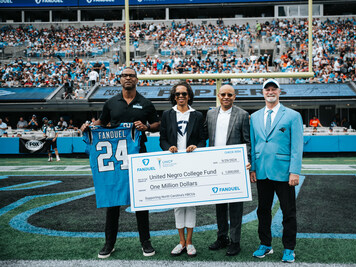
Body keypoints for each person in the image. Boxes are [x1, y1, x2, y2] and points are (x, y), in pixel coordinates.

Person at [81, 67, 160, 259]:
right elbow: (101, 122)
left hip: (138, 154)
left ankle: (145, 241)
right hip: (116, 160)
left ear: (137, 79)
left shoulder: (145, 103)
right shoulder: (110, 103)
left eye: (131, 75)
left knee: (141, 200)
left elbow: (158, 123)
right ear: (120, 79)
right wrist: (88, 127)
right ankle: (109, 243)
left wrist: (147, 127)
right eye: (125, 75)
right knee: (113, 201)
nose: (128, 78)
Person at [250, 79, 303, 263]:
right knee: (262, 210)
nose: (270, 92)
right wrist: (253, 168)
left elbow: (297, 146)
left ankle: (289, 248)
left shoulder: (292, 115)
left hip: (283, 172)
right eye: (267, 89)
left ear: (280, 92)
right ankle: (265, 244)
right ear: (262, 92)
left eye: (273, 89)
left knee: (288, 212)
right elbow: (254, 144)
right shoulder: (255, 116)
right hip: (262, 171)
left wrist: (294, 171)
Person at [159, 81, 206, 257]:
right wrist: (168, 148)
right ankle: (180, 241)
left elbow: (202, 139)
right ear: (174, 96)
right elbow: (162, 138)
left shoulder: (197, 115)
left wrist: (196, 146)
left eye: (184, 94)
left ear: (189, 96)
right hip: (174, 164)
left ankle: (190, 242)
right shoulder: (167, 114)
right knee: (178, 204)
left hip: (192, 162)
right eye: (177, 94)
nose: (180, 96)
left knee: (191, 203)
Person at [205, 84, 251, 256]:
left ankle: (235, 241)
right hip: (217, 167)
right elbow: (204, 137)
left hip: (235, 168)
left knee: (236, 207)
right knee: (220, 205)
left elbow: (247, 141)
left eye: (229, 95)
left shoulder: (243, 114)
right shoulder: (210, 113)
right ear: (218, 95)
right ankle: (222, 236)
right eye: (223, 94)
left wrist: (247, 161)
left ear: (234, 96)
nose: (226, 97)